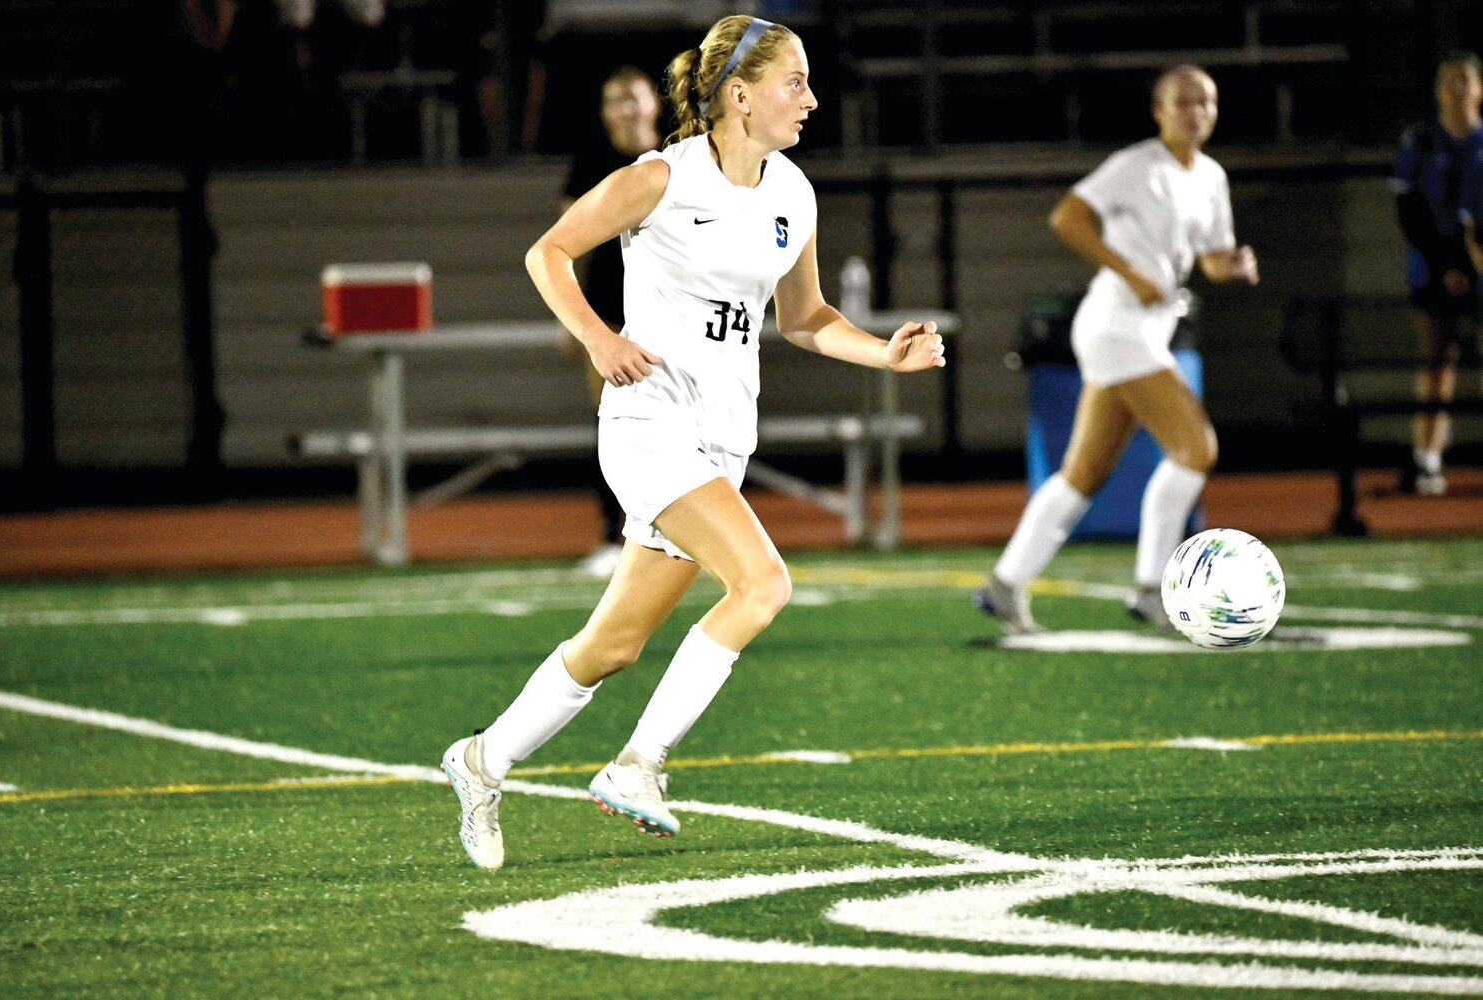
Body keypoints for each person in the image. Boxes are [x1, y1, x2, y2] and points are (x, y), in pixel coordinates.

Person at [440, 14, 945, 870]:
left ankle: (480, 760)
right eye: (796, 83)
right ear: (739, 95)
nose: (813, 99)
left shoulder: (793, 191)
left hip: (723, 439)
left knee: (612, 646)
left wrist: (882, 353)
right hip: (649, 426)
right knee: (762, 582)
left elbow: (808, 318)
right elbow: (550, 253)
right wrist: (602, 341)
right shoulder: (659, 177)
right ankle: (638, 767)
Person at [975, 64, 1258, 635]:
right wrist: (1129, 273)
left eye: (1206, 101)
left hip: (1145, 331)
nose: (1195, 111)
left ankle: (1004, 587)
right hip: (1114, 324)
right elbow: (1068, 217)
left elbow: (1208, 259)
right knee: (1195, 448)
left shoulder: (1210, 177)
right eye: (1183, 101)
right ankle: (1153, 588)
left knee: (1084, 473)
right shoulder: (1137, 165)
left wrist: (1234, 266)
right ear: (1158, 110)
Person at [560, 65, 662, 579]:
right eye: (613, 100)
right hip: (606, 307)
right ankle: (612, 535)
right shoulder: (592, 162)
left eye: (633, 98)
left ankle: (680, 536)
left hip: (669, 307)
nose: (624, 109)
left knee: (682, 422)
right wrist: (573, 322)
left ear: (654, 104)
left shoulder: (675, 154)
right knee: (612, 424)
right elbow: (563, 245)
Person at [1392, 51, 1483, 497]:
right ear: (1437, 90)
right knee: (1435, 365)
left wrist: (1474, 262)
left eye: (1465, 80)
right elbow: (1409, 211)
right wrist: (1447, 264)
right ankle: (1427, 458)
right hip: (1431, 270)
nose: (1458, 89)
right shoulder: (1421, 142)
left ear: (1480, 88)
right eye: (1449, 81)